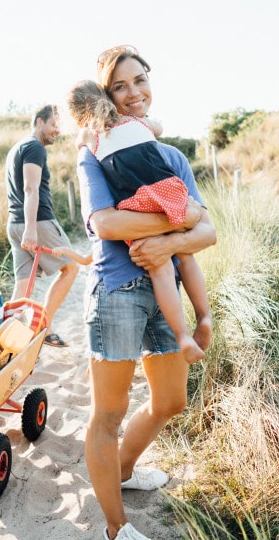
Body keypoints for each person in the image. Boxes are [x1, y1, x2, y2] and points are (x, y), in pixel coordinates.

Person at [74, 45, 217, 540]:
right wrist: (178, 220)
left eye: (140, 80)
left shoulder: (171, 154)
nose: (134, 92)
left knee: (171, 401)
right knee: (107, 415)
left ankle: (125, 471)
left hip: (165, 289)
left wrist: (167, 243)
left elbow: (208, 233)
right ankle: (116, 526)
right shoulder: (95, 150)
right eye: (120, 85)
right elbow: (106, 222)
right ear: (105, 98)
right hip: (117, 289)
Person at [66, 79, 212, 363]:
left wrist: (85, 134)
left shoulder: (91, 137)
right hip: (170, 189)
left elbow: (80, 142)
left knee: (159, 268)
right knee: (186, 256)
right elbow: (158, 129)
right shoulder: (139, 126)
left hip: (140, 203)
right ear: (108, 98)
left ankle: (182, 335)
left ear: (79, 116)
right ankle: (203, 316)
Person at [5, 104, 79, 347]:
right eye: (54, 125)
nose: (57, 130)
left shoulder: (17, 147)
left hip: (14, 224)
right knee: (71, 267)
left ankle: (6, 339)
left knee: (23, 286)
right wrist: (31, 228)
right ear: (39, 122)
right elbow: (30, 187)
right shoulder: (34, 147)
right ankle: (44, 326)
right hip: (36, 221)